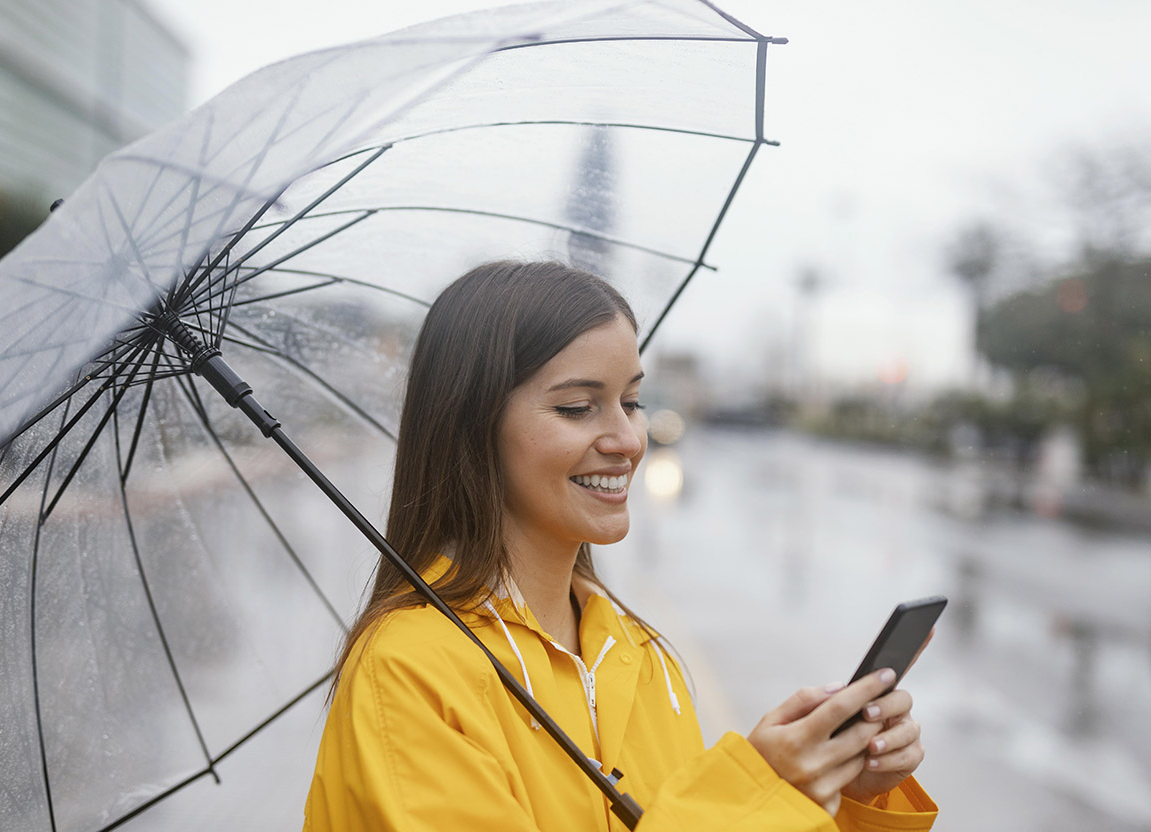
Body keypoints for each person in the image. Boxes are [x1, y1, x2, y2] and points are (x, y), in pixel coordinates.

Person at [303, 260, 938, 831]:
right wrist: (757, 799)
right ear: (473, 426)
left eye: (631, 402)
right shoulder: (410, 674)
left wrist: (839, 800)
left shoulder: (640, 655)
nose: (629, 440)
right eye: (578, 408)